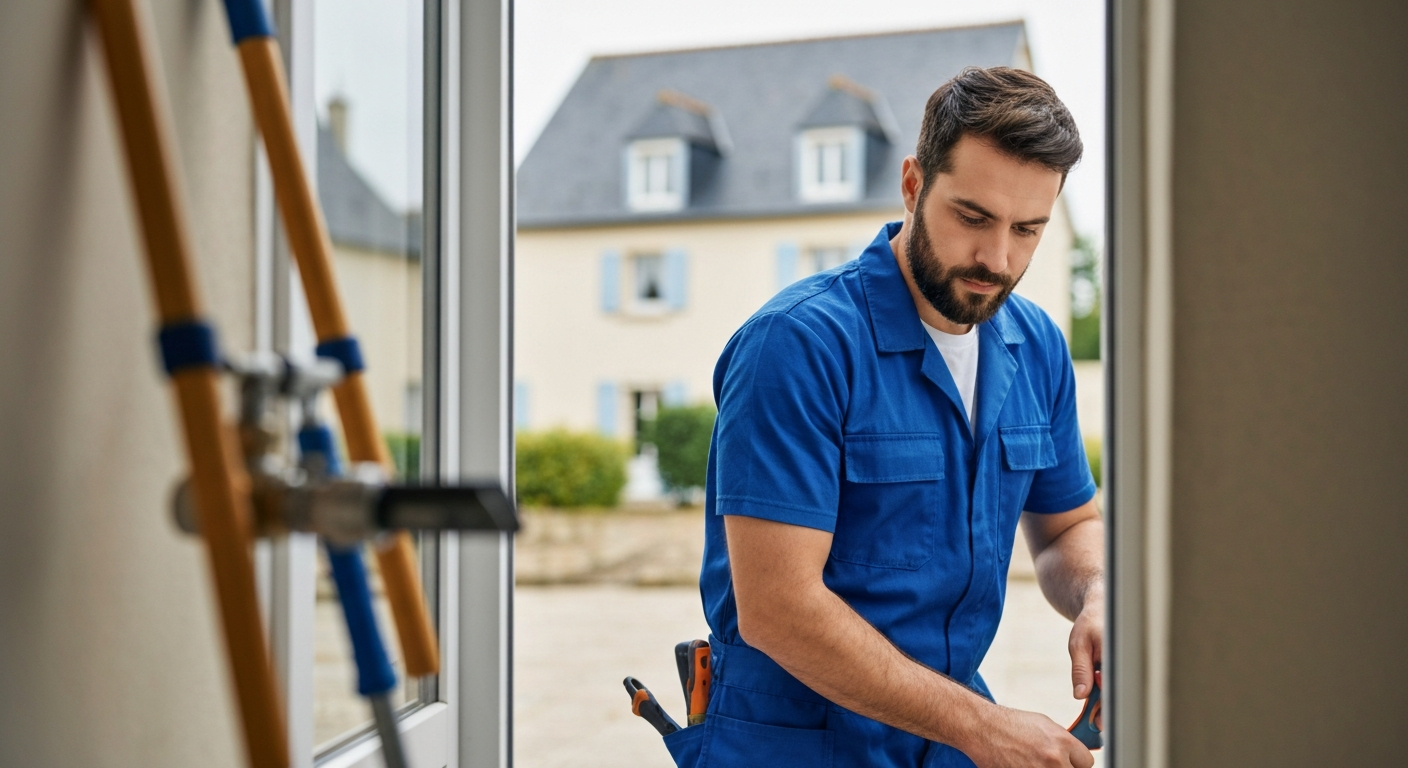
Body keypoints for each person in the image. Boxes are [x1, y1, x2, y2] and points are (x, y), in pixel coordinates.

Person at [670, 67, 1104, 768]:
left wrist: (1098, 592)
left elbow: (1068, 527)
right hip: (792, 747)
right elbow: (779, 610)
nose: (998, 258)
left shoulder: (1038, 347)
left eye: (1028, 229)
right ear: (912, 185)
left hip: (950, 738)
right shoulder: (797, 345)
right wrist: (982, 727)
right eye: (973, 217)